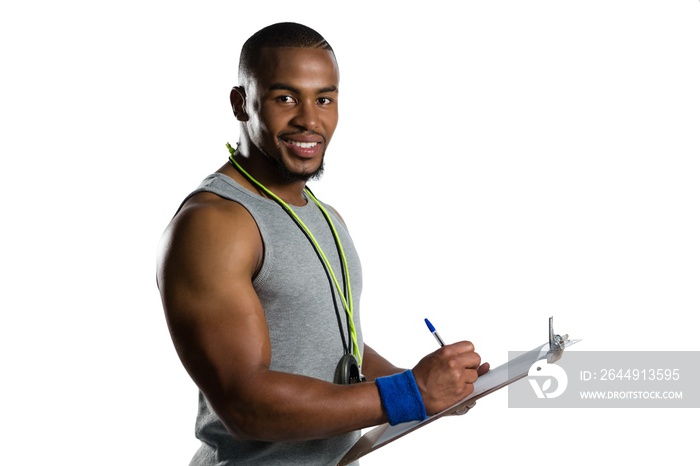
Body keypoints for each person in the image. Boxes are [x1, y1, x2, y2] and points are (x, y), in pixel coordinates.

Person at [156, 22, 489, 465]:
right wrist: (409, 394)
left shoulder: (325, 217)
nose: (310, 120)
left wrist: (433, 388)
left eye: (324, 99)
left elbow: (333, 348)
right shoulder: (214, 225)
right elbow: (245, 405)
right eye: (285, 98)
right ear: (241, 104)